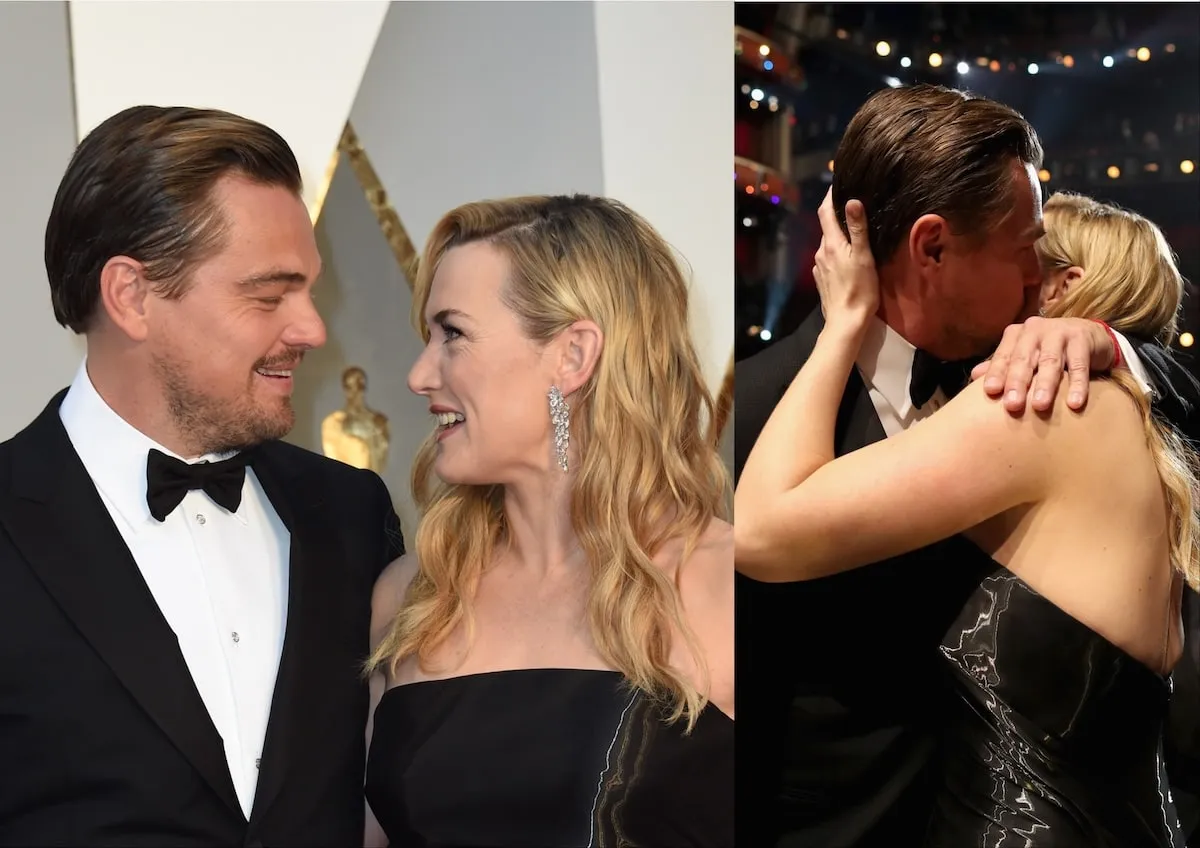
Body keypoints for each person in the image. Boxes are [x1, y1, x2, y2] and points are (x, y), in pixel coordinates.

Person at [732, 83, 1200, 848]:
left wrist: (1111, 343)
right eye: (1027, 252)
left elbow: (1183, 399)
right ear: (932, 246)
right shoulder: (749, 416)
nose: (1036, 282)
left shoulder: (1039, 382)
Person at [0, 105, 404, 846]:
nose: (312, 328)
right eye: (268, 293)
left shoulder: (351, 510)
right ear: (132, 296)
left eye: (308, 290)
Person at [363, 194, 734, 847]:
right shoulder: (411, 595)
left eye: (453, 333)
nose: (420, 374)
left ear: (572, 356)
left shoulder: (730, 587)